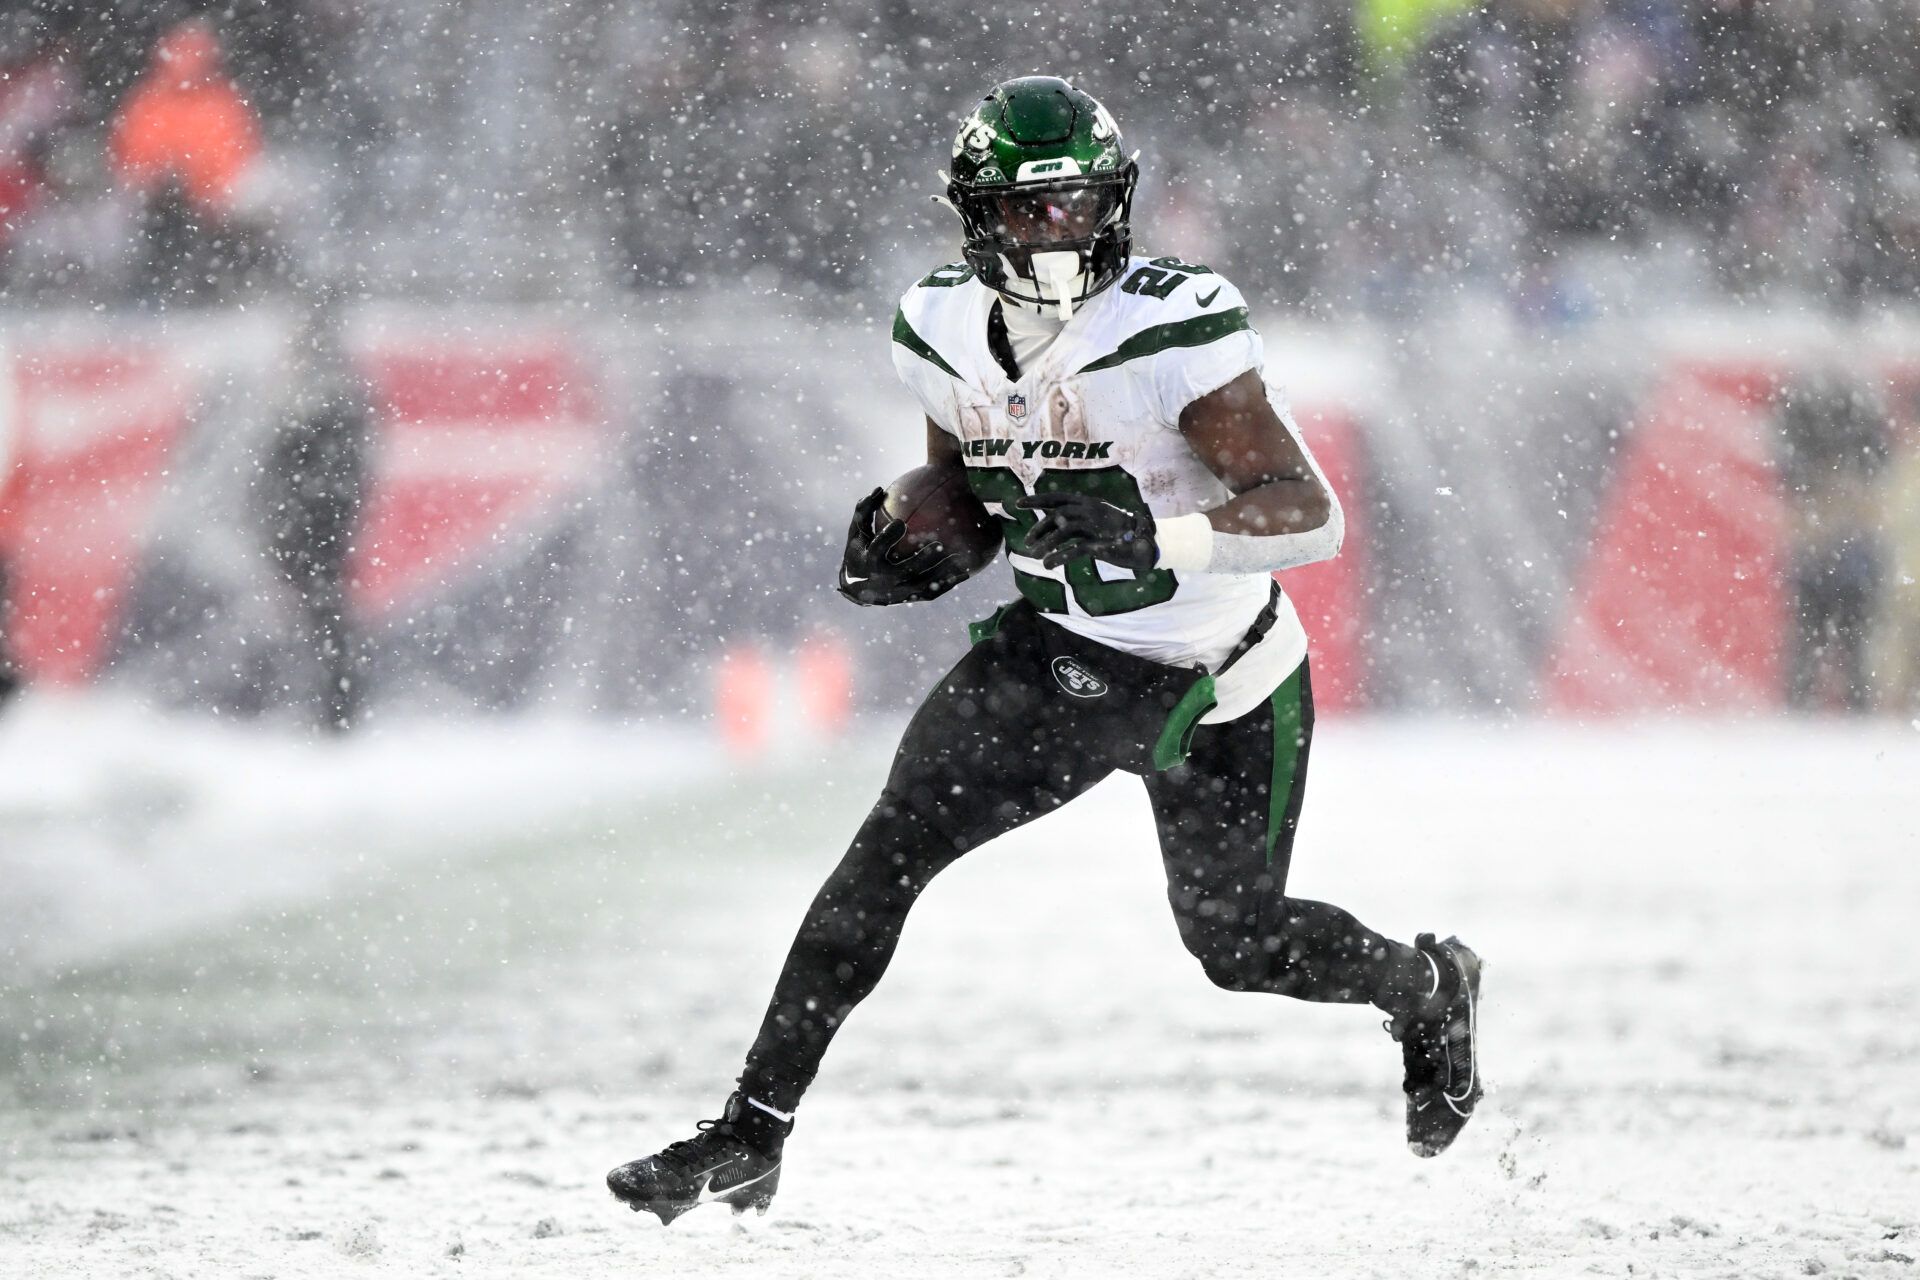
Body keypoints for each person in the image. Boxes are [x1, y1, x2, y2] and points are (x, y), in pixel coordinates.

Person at [607, 77, 1483, 1225]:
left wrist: (1164, 533)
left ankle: (1427, 988)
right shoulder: (939, 325)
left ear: (1114, 201)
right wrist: (916, 541)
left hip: (1218, 676)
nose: (1059, 227)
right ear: (977, 216)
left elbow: (1309, 511)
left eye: (1077, 202)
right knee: (885, 854)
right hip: (1060, 656)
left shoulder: (1172, 321)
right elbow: (970, 489)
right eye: (1031, 207)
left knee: (1241, 944)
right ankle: (752, 1127)